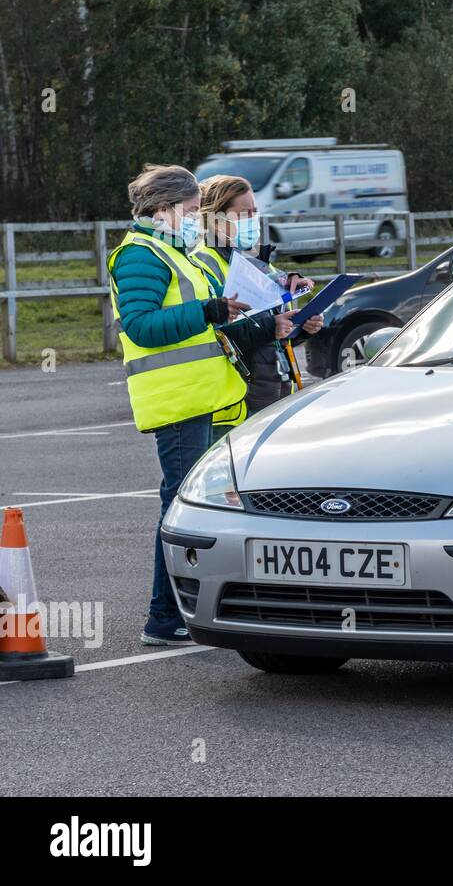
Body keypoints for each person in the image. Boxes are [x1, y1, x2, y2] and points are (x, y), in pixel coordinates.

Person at [108, 164, 279, 646]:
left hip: (208, 397)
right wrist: (209, 310)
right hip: (180, 401)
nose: (193, 217)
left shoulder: (174, 253)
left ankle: (183, 612)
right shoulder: (141, 255)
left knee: (197, 507)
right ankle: (164, 617)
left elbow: (215, 326)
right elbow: (141, 326)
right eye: (187, 209)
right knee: (180, 509)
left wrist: (256, 320)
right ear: (162, 209)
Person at [190, 175, 323, 435]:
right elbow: (215, 333)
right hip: (237, 399)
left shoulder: (259, 263)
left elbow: (278, 334)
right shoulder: (202, 263)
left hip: (275, 388)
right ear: (216, 219)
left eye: (255, 212)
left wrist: (302, 326)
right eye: (243, 214)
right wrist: (270, 327)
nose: (252, 219)